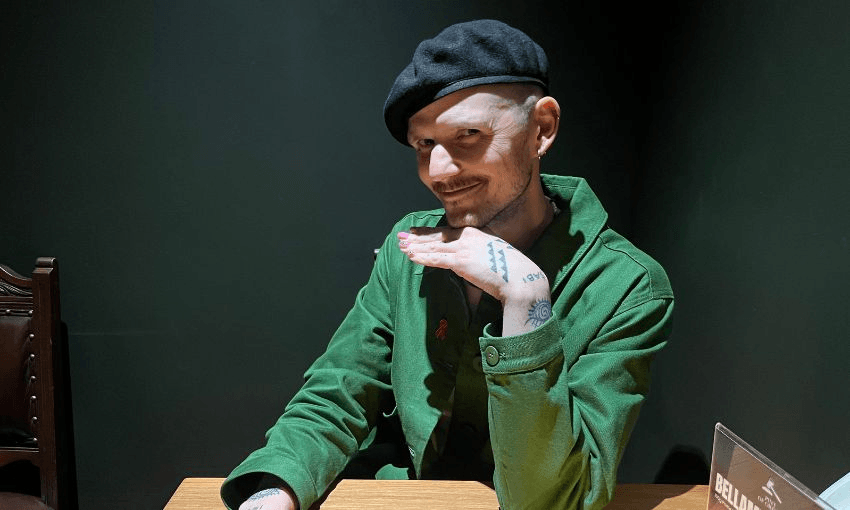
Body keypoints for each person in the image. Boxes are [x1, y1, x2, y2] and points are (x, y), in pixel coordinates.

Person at [221, 19, 674, 510]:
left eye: (468, 134)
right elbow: (340, 392)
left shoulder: (628, 286)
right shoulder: (409, 247)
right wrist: (276, 492)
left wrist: (526, 300)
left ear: (541, 129)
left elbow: (555, 499)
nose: (437, 171)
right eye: (423, 144)